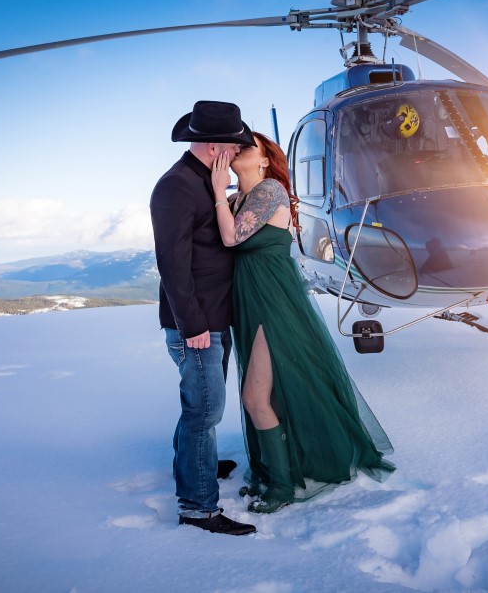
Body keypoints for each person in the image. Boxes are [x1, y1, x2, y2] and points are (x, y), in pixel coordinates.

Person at [210, 131, 395, 514]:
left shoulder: (270, 190)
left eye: (246, 146)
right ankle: (277, 472)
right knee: (274, 392)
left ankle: (280, 487)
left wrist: (214, 190)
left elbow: (230, 238)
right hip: (251, 301)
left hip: (274, 303)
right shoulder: (237, 199)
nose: (237, 150)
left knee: (254, 395)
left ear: (264, 159)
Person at [150, 100, 257, 536]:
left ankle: (200, 464)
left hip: (215, 316)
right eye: (232, 147)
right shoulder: (176, 187)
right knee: (205, 411)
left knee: (202, 407)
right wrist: (193, 326)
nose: (236, 154)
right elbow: (172, 265)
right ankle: (197, 507)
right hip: (196, 325)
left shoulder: (204, 182)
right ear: (215, 148)